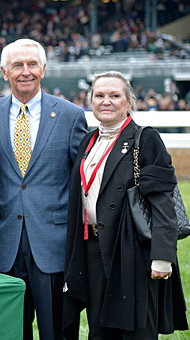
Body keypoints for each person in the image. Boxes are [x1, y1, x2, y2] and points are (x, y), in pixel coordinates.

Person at [63, 71, 188, 338]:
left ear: (129, 101)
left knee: (136, 332)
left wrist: (163, 257)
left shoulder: (146, 139)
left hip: (132, 252)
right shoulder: (88, 140)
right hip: (93, 251)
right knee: (99, 329)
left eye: (114, 95)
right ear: (90, 101)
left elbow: (163, 203)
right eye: (99, 95)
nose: (106, 101)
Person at [0, 38, 87, 340]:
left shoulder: (70, 115)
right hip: (4, 245)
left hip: (52, 245)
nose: (25, 71)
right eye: (17, 65)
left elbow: (83, 179)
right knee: (11, 331)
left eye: (31, 64)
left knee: (57, 331)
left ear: (43, 69)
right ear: (4, 72)